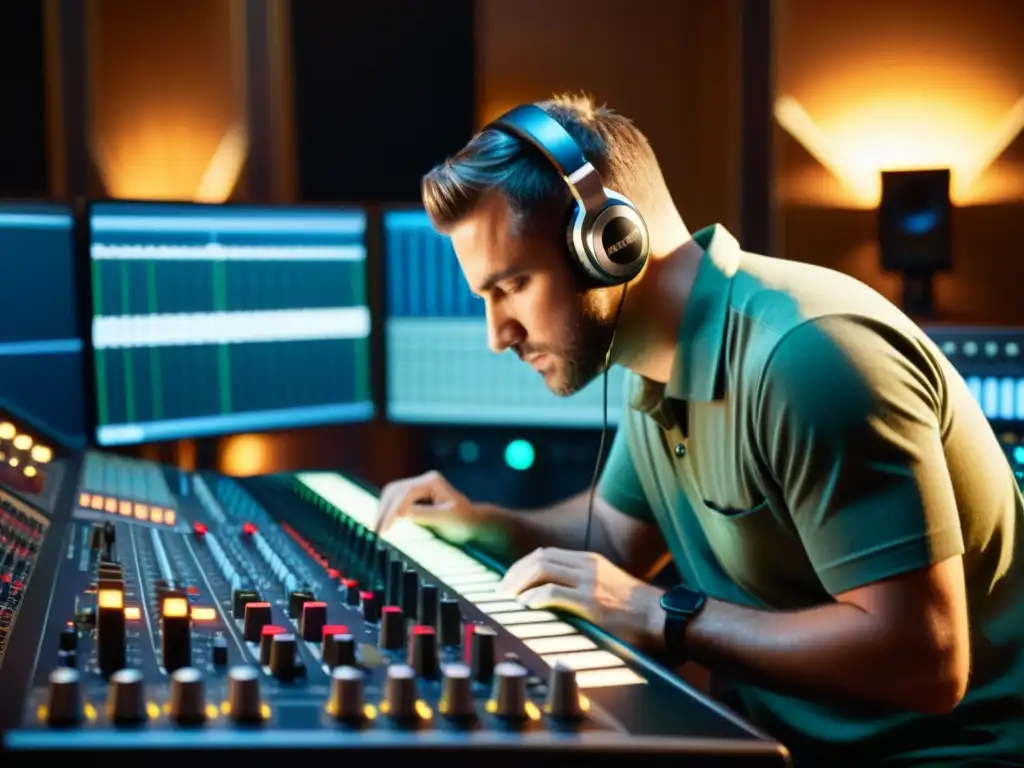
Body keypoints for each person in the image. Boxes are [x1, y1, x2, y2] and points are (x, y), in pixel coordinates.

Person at [372, 94, 1024, 765]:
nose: (497, 335)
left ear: (608, 244)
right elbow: (617, 540)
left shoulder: (808, 359)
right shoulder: (649, 359)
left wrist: (662, 615)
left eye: (511, 285)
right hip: (781, 746)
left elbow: (927, 660)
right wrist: (478, 522)